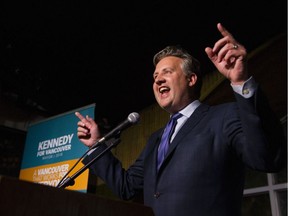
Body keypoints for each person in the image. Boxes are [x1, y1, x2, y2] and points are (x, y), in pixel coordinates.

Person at [75, 23, 286, 216]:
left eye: (166, 72)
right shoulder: (156, 140)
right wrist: (95, 145)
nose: (158, 79)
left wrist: (241, 82)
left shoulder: (223, 117)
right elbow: (126, 187)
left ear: (191, 79)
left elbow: (267, 157)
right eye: (155, 76)